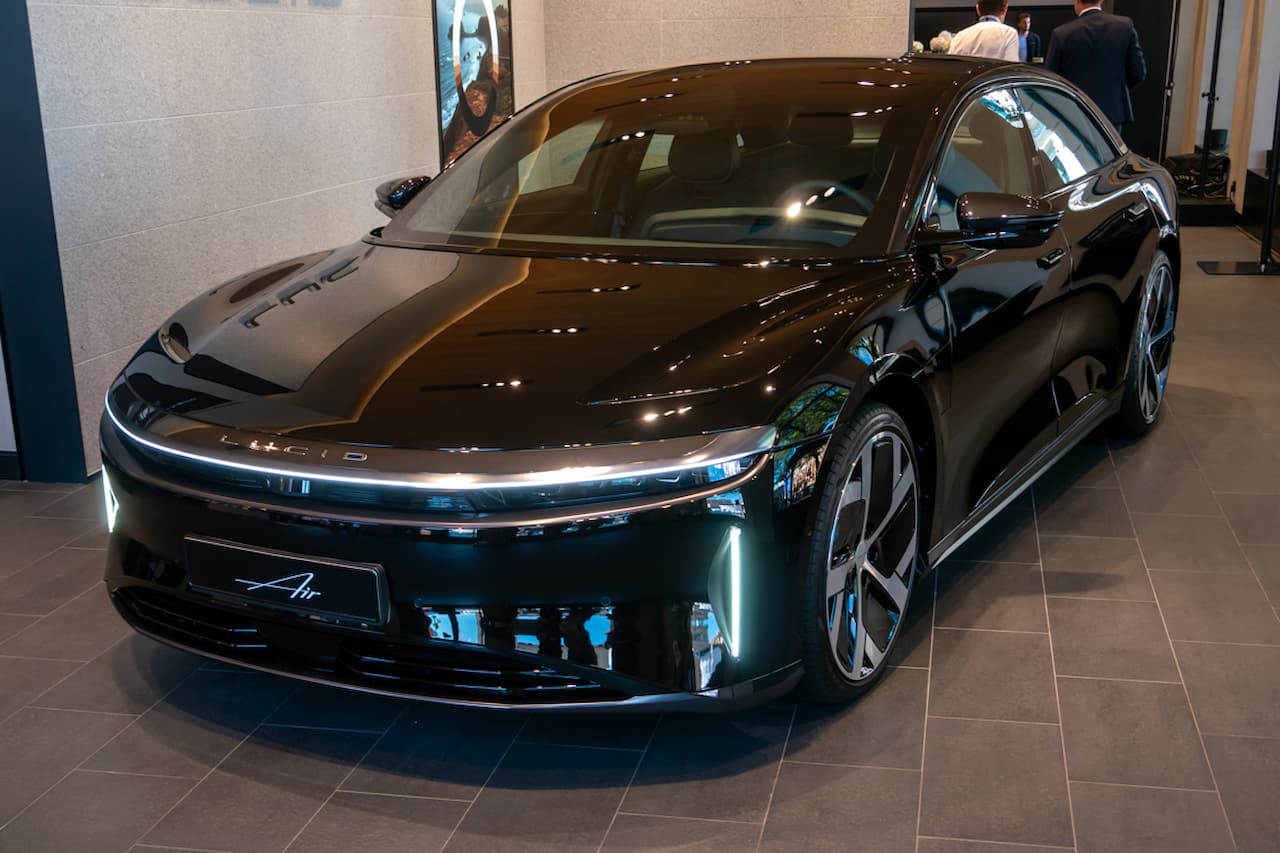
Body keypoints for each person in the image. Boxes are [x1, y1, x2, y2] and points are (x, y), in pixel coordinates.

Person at [1045, 0, 1147, 129]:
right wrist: (1115, 89)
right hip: (1112, 111)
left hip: (1075, 111)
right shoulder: (1124, 26)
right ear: (1101, 0)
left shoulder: (1062, 33)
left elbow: (1051, 79)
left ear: (1076, 1)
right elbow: (1138, 73)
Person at [948, 0, 1020, 62]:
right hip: (995, 78)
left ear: (977, 9)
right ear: (1005, 9)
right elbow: (1011, 71)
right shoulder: (1009, 34)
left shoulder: (959, 36)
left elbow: (951, 68)